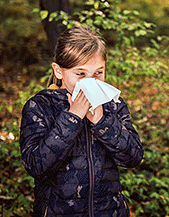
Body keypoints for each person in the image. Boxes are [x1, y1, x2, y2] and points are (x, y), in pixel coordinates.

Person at [20, 26, 143, 216]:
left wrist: (102, 121)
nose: (91, 81)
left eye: (98, 73)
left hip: (109, 211)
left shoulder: (113, 103)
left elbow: (133, 156)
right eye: (81, 74)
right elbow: (36, 165)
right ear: (59, 71)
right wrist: (73, 117)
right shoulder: (40, 106)